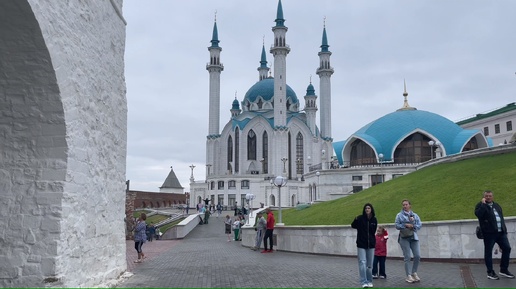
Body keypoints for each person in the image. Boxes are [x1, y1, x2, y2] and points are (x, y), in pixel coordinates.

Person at [475, 190, 514, 280]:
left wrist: (505, 231)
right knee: (488, 252)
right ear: (484, 197)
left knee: (507, 248)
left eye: (490, 196)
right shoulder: (480, 206)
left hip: (501, 233)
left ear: (492, 197)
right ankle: (490, 272)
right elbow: (479, 215)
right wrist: (484, 204)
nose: (488, 197)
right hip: (489, 234)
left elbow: (501, 219)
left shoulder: (497, 206)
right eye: (486, 196)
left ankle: (503, 270)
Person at [395, 199, 422, 284]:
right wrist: (405, 225)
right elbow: (397, 225)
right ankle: (408, 275)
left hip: (414, 237)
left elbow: (419, 224)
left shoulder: (414, 215)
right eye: (403, 205)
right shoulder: (399, 215)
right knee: (407, 257)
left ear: (410, 205)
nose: (405, 206)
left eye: (406, 204)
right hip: (404, 238)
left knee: (417, 256)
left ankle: (414, 272)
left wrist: (412, 226)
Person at [351, 203, 378, 288]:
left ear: (371, 209)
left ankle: (369, 280)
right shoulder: (360, 218)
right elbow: (353, 226)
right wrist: (355, 220)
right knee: (362, 262)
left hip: (371, 244)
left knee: (369, 265)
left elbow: (373, 232)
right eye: (366, 208)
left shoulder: (374, 220)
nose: (367, 209)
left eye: (369, 208)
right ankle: (363, 281)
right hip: (361, 244)